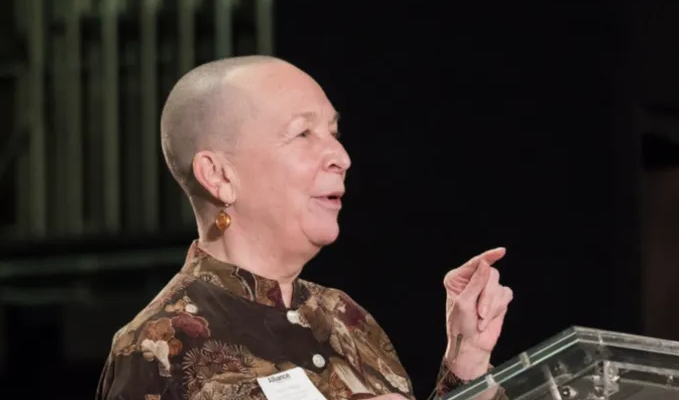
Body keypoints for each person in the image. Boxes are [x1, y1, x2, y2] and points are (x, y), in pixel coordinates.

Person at [96, 56, 514, 400]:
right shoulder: (157, 345)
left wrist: (467, 364)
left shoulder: (345, 318)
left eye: (333, 132)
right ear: (219, 176)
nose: (341, 156)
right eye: (303, 134)